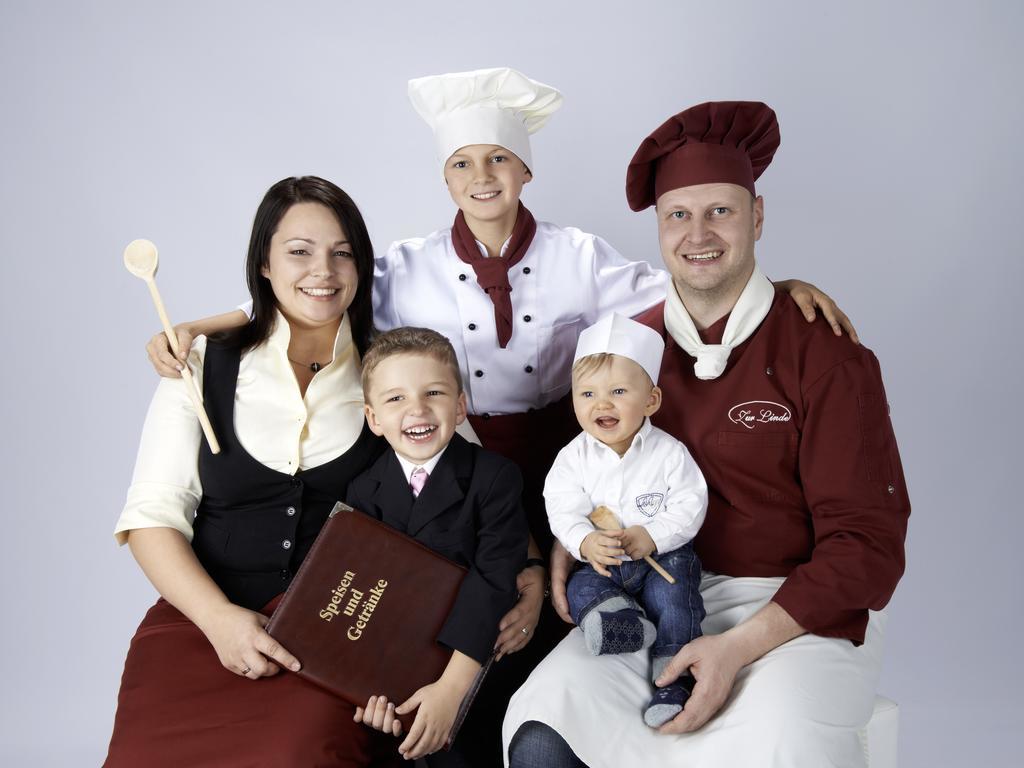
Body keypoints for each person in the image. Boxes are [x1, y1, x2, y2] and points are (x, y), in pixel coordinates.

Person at [143, 71, 857, 766]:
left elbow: (684, 289)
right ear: (446, 179)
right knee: (478, 632)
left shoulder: (579, 256)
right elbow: (319, 294)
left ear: (524, 171)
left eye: (498, 160)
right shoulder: (404, 266)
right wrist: (201, 328)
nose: (482, 177)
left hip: (568, 459)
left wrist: (775, 284)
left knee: (545, 631)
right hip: (457, 456)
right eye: (462, 163)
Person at [504, 101, 911, 768]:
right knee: (546, 729)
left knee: (781, 743)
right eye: (678, 215)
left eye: (720, 210)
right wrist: (569, 537)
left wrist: (737, 648)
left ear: (756, 215)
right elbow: (585, 457)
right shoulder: (627, 353)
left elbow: (868, 545)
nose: (699, 233)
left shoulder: (827, 356)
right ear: (660, 228)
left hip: (794, 613)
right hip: (647, 587)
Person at [105, 176, 400, 767]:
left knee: (292, 753)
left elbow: (469, 474)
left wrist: (522, 562)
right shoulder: (197, 364)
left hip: (331, 636)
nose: (324, 268)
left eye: (343, 252)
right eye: (299, 251)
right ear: (263, 264)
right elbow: (152, 517)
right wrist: (219, 621)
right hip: (200, 620)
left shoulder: (394, 366)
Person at [346, 326, 528, 765]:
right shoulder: (361, 493)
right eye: (395, 399)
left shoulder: (495, 478)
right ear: (373, 419)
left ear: (461, 406)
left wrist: (450, 690)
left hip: (479, 662)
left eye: (434, 392)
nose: (417, 409)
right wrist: (373, 686)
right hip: (398, 664)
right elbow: (363, 594)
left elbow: (492, 583)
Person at [545, 312, 707, 728]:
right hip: (605, 564)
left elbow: (690, 503)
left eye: (618, 391)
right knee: (580, 587)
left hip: (662, 558)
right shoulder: (571, 459)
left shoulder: (669, 454)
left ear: (651, 400)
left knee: (676, 594)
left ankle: (675, 673)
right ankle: (623, 624)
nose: (602, 404)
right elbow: (562, 507)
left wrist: (652, 535)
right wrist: (583, 542)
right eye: (587, 394)